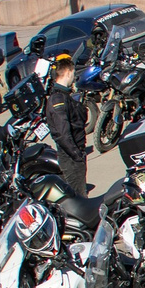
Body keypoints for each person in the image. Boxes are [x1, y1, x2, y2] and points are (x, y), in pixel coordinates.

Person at [42, 53, 89, 193]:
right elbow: (63, 133)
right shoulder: (58, 100)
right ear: (68, 72)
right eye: (73, 73)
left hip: (74, 153)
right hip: (71, 158)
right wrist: (77, 155)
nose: (74, 77)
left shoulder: (64, 95)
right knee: (78, 198)